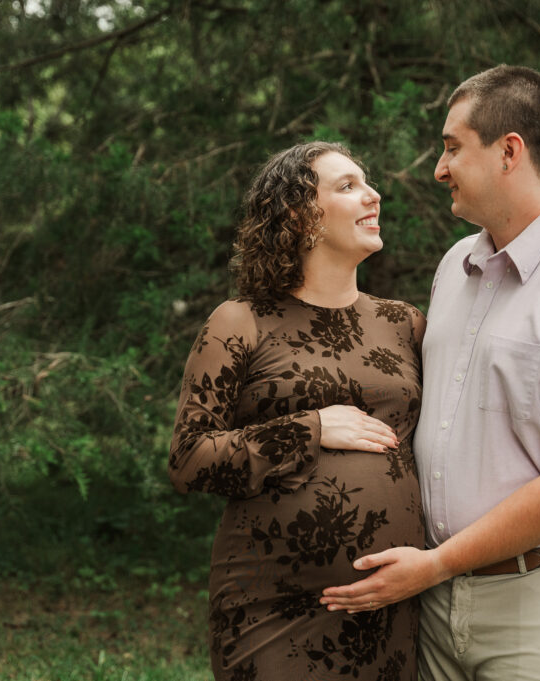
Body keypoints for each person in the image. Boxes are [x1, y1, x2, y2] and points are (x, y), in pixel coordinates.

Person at [320, 65, 540, 680]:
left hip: (539, 608)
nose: (438, 168)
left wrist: (436, 563)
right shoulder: (455, 266)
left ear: (509, 151)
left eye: (452, 148)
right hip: (433, 604)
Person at [168, 141, 427, 681]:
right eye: (348, 186)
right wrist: (310, 428)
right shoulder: (241, 320)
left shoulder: (404, 324)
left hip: (392, 606)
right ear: (298, 215)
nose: (374, 195)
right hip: (273, 610)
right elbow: (189, 459)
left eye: (367, 181)